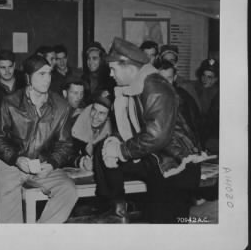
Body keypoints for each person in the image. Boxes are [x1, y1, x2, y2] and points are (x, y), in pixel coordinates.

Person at [95, 37, 203, 223]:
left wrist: (121, 150)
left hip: (176, 165)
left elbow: (156, 135)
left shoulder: (155, 87)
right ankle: (118, 206)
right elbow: (130, 126)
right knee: (101, 149)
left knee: (165, 226)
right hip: (155, 159)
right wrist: (115, 140)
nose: (111, 74)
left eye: (113, 69)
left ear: (129, 67)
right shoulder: (132, 88)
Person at [0, 54, 78, 223]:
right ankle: (12, 244)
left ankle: (38, 237)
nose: (47, 79)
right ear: (28, 77)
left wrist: (52, 163)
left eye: (49, 74)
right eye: (41, 74)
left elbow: (65, 144)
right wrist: (16, 159)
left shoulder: (61, 106)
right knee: (8, 208)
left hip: (43, 164)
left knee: (69, 190)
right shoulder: (11, 103)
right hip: (12, 163)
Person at [155, 59, 202, 147]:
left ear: (175, 77)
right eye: (161, 78)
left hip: (182, 143)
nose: (165, 82)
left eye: (169, 78)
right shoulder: (150, 95)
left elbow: (194, 124)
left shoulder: (183, 96)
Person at [183, 58, 219, 151]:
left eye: (210, 77)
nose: (205, 79)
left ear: (216, 79)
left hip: (210, 136)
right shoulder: (194, 87)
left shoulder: (218, 95)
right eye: (203, 75)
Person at [71, 92, 113, 172]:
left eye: (101, 113)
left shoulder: (112, 131)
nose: (95, 116)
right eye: (94, 110)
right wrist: (81, 161)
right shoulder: (76, 123)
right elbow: (65, 153)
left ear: (108, 117)